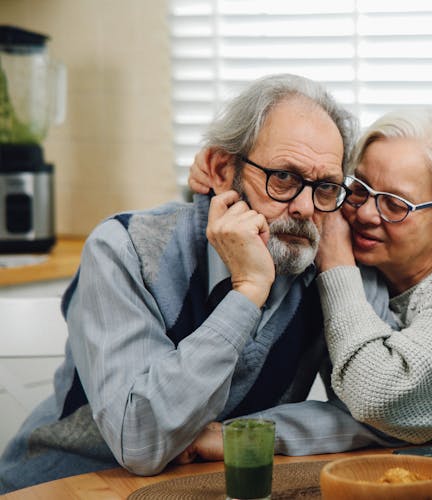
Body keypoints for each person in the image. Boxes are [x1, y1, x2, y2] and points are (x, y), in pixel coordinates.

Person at [0, 73, 393, 493]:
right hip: (66, 483)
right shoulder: (125, 248)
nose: (303, 207)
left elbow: (386, 414)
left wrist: (242, 436)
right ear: (224, 169)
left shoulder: (331, 263)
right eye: (283, 177)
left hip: (217, 486)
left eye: (325, 187)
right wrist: (248, 291)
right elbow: (141, 440)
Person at [188, 107, 432, 449]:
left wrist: (336, 261)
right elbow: (356, 415)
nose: (365, 213)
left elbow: (376, 399)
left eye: (395, 205)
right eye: (360, 188)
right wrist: (223, 173)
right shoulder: (366, 258)